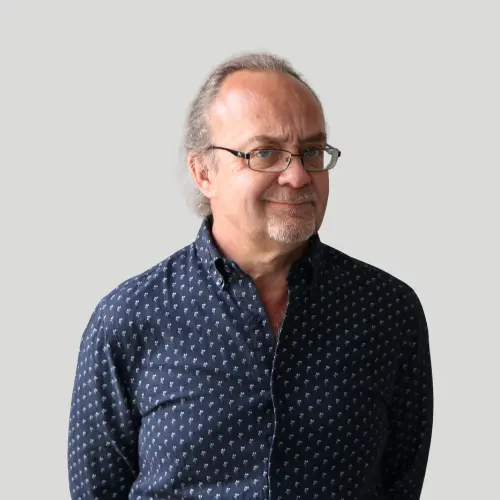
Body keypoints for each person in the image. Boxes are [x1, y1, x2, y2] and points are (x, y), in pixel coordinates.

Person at [67, 51, 433, 500]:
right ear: (203, 173)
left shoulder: (387, 311)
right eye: (265, 153)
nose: (297, 176)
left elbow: (401, 481)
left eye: (311, 152)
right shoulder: (127, 319)